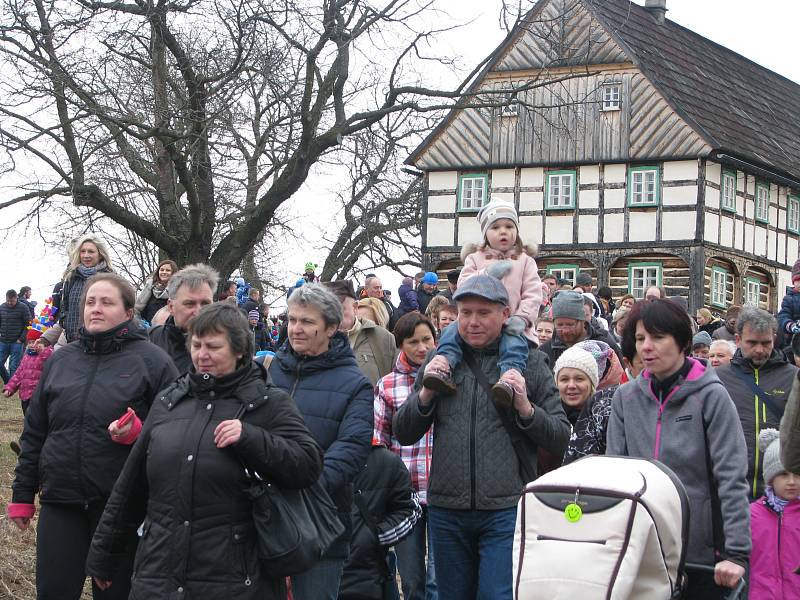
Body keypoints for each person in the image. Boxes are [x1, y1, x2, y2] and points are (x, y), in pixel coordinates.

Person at [85, 302, 323, 599]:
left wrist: (252, 438)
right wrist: (104, 555)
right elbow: (131, 486)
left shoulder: (268, 403)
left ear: (239, 350)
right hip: (159, 574)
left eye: (213, 346)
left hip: (236, 579)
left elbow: (308, 464)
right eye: (196, 345)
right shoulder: (169, 401)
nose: (202, 355)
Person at [393, 275, 570, 600]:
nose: (472, 322)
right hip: (447, 508)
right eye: (465, 312)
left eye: (483, 313)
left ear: (505, 315)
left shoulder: (529, 362)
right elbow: (402, 431)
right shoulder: (441, 360)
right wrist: (425, 397)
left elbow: (560, 436)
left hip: (505, 509)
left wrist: (525, 408)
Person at [8, 273, 178, 600]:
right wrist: (22, 493)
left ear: (129, 312)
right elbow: (36, 431)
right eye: (90, 302)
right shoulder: (61, 360)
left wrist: (139, 433)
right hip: (61, 499)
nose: (96, 309)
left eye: (107, 302)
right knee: (54, 592)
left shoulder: (154, 362)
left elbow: (174, 435)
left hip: (121, 507)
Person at [606, 299, 749, 598]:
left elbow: (731, 477)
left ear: (682, 342)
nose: (647, 346)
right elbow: (614, 476)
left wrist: (736, 553)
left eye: (658, 337)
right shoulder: (625, 398)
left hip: (702, 555)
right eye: (641, 338)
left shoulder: (711, 396)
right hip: (642, 549)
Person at [269, 283, 373, 599]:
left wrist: (301, 487)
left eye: (307, 322)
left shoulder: (355, 384)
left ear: (330, 328)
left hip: (320, 522)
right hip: (261, 517)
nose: (296, 329)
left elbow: (351, 449)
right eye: (292, 320)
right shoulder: (269, 372)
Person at [423, 200, 542, 409]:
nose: (503, 232)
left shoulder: (525, 261)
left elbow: (533, 294)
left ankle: (509, 378)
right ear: (486, 233)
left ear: (516, 231)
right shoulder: (475, 258)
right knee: (451, 331)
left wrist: (522, 318)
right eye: (495, 227)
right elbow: (462, 286)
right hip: (477, 319)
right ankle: (444, 365)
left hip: (512, 321)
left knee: (514, 344)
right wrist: (488, 272)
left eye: (509, 226)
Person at [374, 312, 439, 600]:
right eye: (413, 342)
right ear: (401, 345)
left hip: (443, 490)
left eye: (427, 339)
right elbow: (379, 439)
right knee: (412, 579)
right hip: (406, 493)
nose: (422, 348)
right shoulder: (387, 385)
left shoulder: (448, 378)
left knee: (440, 580)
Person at [714, 307, 796, 499]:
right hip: (730, 488)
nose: (759, 350)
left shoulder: (793, 377)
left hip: (782, 489)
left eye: (766, 343)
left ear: (774, 339)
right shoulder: (718, 379)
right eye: (752, 343)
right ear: (737, 340)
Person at [338, 439, 422, 600]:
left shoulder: (385, 461)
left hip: (366, 577)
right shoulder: (306, 457)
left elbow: (409, 509)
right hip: (314, 578)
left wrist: (375, 536)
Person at [748, 429, 800, 600]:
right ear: (771, 478)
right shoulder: (751, 515)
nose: (792, 482)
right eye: (784, 474)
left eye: (797, 475)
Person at [560, 341, 623, 465]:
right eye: (564, 379)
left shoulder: (608, 413)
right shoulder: (552, 410)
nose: (571, 385)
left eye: (579, 378)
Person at [325, 280, 397, 387]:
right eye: (327, 310)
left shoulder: (383, 339)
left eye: (339, 309)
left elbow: (394, 383)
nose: (333, 315)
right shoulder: (315, 339)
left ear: (355, 307)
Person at [148, 263, 217, 373]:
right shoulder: (150, 341)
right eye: (189, 304)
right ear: (171, 306)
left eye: (205, 304)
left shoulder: (229, 347)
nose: (198, 311)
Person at [54, 234, 114, 342]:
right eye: (83, 251)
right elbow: (65, 306)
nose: (86, 255)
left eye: (91, 251)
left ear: (100, 254)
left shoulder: (111, 279)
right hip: (72, 340)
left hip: (100, 341)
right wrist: (65, 321)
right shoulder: (71, 277)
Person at [539, 291, 622, 369]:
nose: (565, 330)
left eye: (570, 325)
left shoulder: (604, 345)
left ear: (582, 321)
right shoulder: (545, 352)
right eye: (560, 325)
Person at [3, 329, 53, 415]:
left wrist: (42, 349)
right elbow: (18, 374)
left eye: (34, 342)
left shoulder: (45, 355)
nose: (31, 345)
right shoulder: (26, 357)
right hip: (25, 395)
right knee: (27, 417)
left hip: (38, 395)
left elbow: (48, 354)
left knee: (38, 418)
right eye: (29, 342)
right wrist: (10, 388)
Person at [0, 289, 33, 382]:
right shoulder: (2, 307)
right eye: (8, 301)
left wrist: (21, 339)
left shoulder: (23, 307)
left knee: (13, 365)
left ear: (16, 298)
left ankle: (11, 388)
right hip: (3, 340)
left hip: (17, 342)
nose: (10, 303)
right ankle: (8, 382)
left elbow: (29, 324)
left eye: (12, 301)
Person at [777, 258, 800, 348]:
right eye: (798, 280)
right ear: (793, 282)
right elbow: (782, 316)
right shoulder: (789, 299)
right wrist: (790, 325)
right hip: (794, 340)